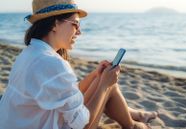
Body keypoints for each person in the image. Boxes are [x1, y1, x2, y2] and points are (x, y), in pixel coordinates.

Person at [0, 0, 158, 128]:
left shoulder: (31, 53)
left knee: (102, 80)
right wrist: (104, 86)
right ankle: (133, 125)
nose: (79, 32)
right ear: (54, 24)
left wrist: (95, 76)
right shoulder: (52, 63)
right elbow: (83, 125)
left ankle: (136, 119)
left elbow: (67, 95)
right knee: (109, 86)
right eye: (75, 24)